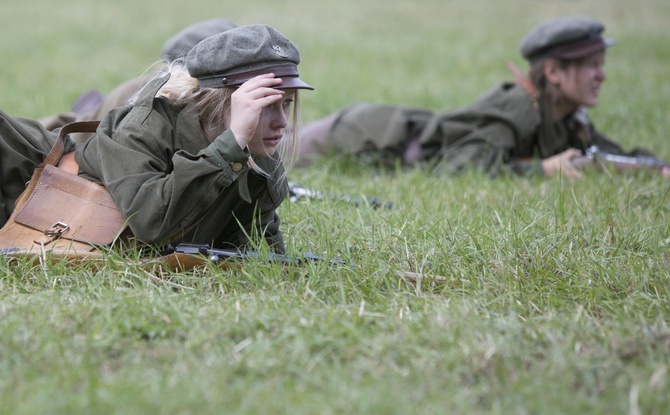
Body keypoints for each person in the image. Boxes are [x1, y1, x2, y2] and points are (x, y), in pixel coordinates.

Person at [0, 24, 313, 253]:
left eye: (285, 103)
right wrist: (229, 145)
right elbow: (151, 223)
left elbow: (257, 247)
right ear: (223, 101)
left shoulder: (255, 157)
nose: (282, 122)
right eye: (265, 105)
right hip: (31, 181)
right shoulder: (149, 125)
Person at [299, 16, 666, 178]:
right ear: (553, 72)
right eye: (590, 65)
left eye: (601, 63)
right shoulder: (520, 110)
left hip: (388, 130)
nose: (601, 74)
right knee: (267, 154)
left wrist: (654, 167)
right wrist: (541, 169)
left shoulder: (567, 116)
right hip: (368, 134)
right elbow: (457, 167)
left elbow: (605, 152)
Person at [39, 18, 238, 134]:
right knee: (77, 126)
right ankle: (91, 103)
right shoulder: (155, 99)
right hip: (107, 116)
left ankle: (93, 102)